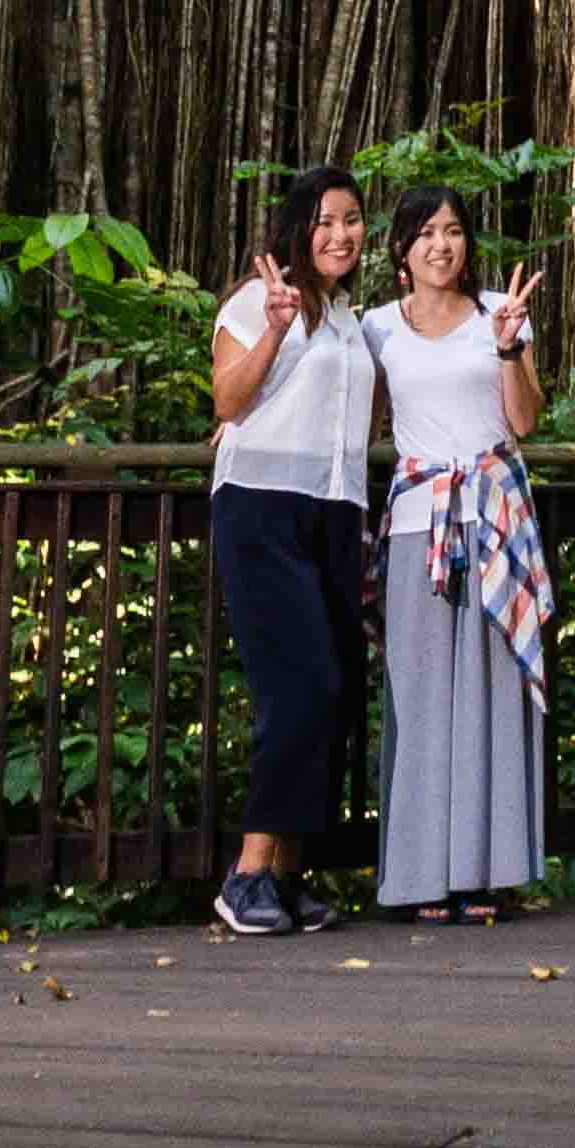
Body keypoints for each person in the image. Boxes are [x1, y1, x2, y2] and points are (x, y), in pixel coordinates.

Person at [366, 183, 550, 920]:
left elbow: (526, 419)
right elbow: (334, 388)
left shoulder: (498, 319)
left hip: (494, 519)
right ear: (402, 250)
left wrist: (508, 345)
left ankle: (484, 871)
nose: (442, 244)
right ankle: (416, 878)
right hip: (418, 524)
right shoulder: (376, 327)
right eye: (426, 233)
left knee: (490, 698)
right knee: (418, 697)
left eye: (454, 231)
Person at [205, 163, 378, 937]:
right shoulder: (258, 300)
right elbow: (228, 400)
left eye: (352, 219)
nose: (340, 233)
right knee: (299, 684)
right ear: (299, 227)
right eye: (325, 220)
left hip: (336, 512)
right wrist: (275, 328)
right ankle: (246, 874)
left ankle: (287, 872)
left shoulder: (352, 321)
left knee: (336, 688)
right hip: (263, 508)